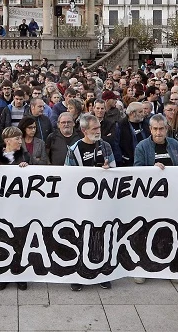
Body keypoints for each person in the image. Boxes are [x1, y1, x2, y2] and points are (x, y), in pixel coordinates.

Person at [64, 113, 113, 291]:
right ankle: (78, 274)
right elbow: (68, 176)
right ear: (84, 130)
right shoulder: (74, 149)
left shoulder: (106, 146)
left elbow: (115, 172)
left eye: (99, 127)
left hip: (101, 201)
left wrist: (108, 171)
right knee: (80, 238)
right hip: (81, 203)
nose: (99, 131)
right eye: (94, 129)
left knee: (100, 237)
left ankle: (101, 273)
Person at [0, 126, 35, 291]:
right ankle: (3, 274)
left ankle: (19, 273)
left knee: (19, 238)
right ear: (7, 141)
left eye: (20, 138)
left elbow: (37, 171)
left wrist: (27, 166)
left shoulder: (24, 155)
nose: (20, 141)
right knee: (2, 239)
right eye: (17, 138)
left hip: (19, 204)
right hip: (1, 205)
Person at [111, 102, 149, 167]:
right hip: (128, 163)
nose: (143, 114)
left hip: (146, 161)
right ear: (132, 113)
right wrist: (120, 160)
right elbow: (116, 144)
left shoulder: (146, 124)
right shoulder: (120, 125)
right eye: (140, 112)